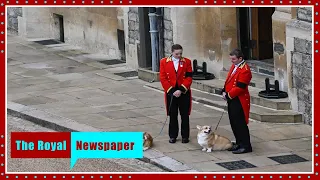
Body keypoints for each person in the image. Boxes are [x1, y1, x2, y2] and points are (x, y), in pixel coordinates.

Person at [159, 44, 193, 144]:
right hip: (171, 92)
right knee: (172, 115)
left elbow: (189, 77)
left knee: (185, 115)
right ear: (172, 52)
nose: (179, 55)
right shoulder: (164, 62)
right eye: (177, 54)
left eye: (180, 53)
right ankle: (173, 135)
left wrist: (181, 89)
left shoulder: (187, 62)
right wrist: (172, 91)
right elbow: (163, 77)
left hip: (183, 91)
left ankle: (185, 136)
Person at [221, 49, 253, 154]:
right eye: (231, 59)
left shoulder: (245, 70)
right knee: (233, 122)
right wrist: (224, 91)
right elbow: (229, 80)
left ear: (240, 58)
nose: (232, 61)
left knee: (240, 123)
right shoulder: (235, 66)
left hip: (239, 100)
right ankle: (239, 142)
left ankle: (246, 145)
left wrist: (228, 95)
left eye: (233, 59)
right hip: (232, 98)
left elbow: (240, 87)